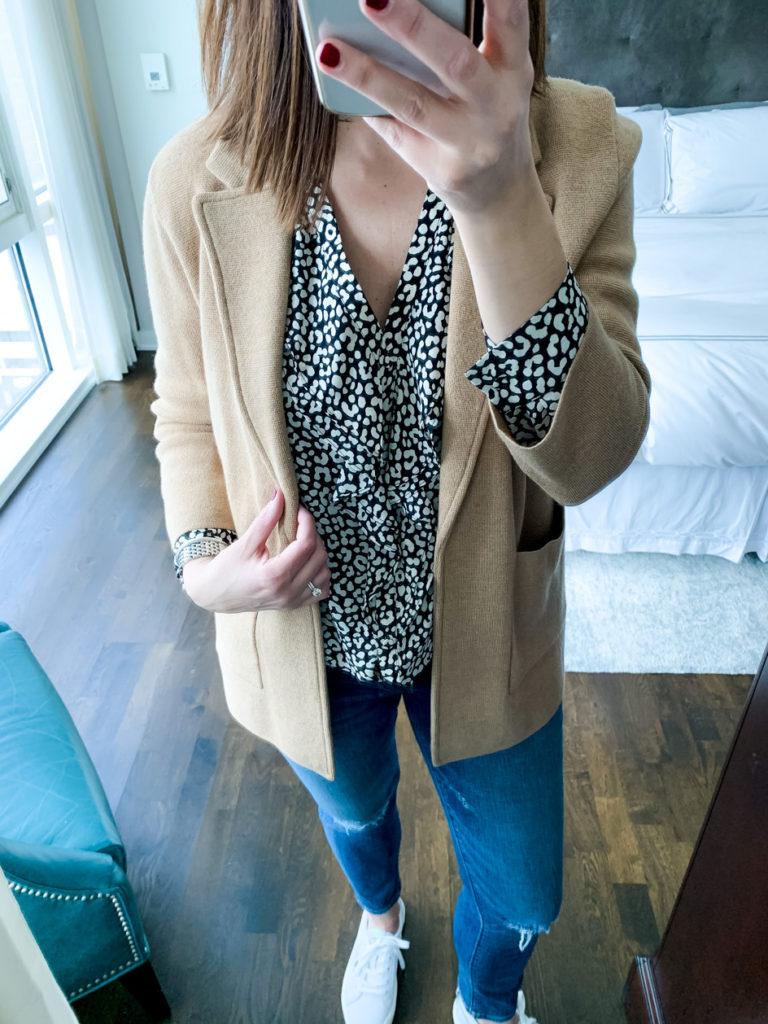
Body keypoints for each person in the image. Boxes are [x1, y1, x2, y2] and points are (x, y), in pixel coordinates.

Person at [143, 0, 650, 1018]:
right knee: (359, 815)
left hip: (486, 625)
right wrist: (208, 568)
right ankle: (382, 920)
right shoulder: (195, 179)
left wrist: (503, 201)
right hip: (304, 636)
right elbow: (188, 412)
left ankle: (485, 998)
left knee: (523, 890)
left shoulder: (581, 143)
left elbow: (592, 455)